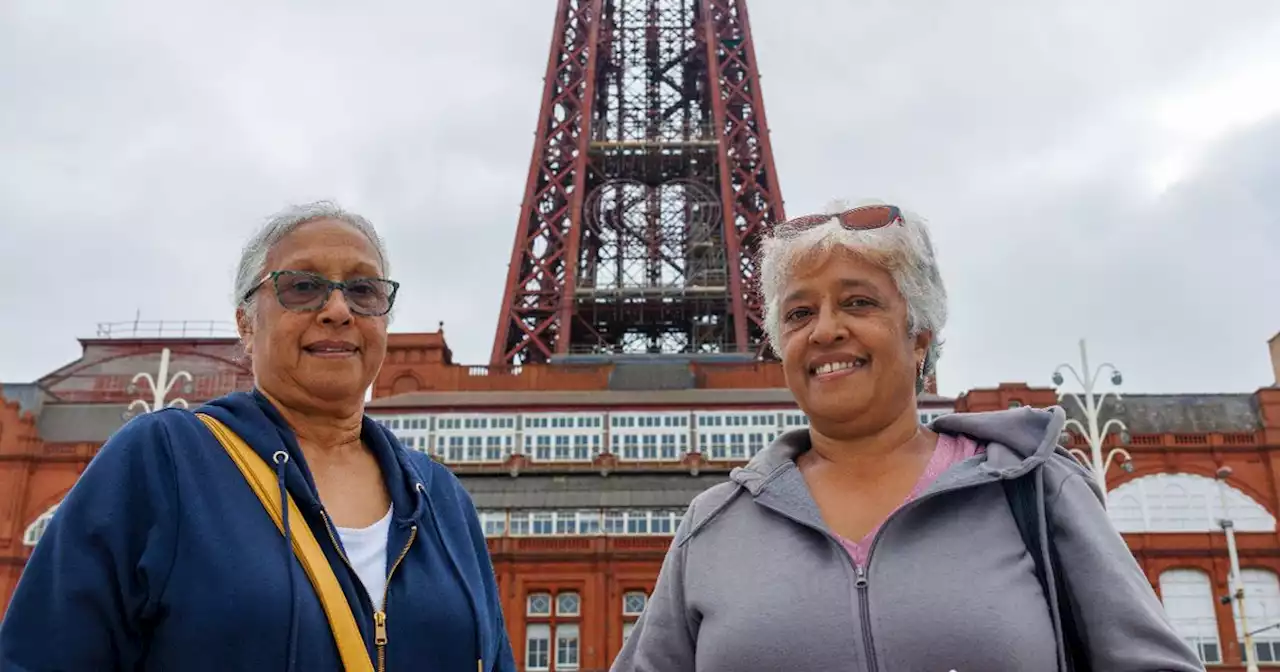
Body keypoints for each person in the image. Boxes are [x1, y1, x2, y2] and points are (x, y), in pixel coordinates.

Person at [611, 202, 1204, 671]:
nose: (826, 330)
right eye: (798, 314)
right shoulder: (716, 523)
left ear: (919, 337)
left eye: (858, 302)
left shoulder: (1033, 489)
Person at [0, 202, 516, 672]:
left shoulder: (442, 498)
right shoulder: (164, 460)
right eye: (303, 286)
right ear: (246, 324)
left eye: (363, 291)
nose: (338, 309)